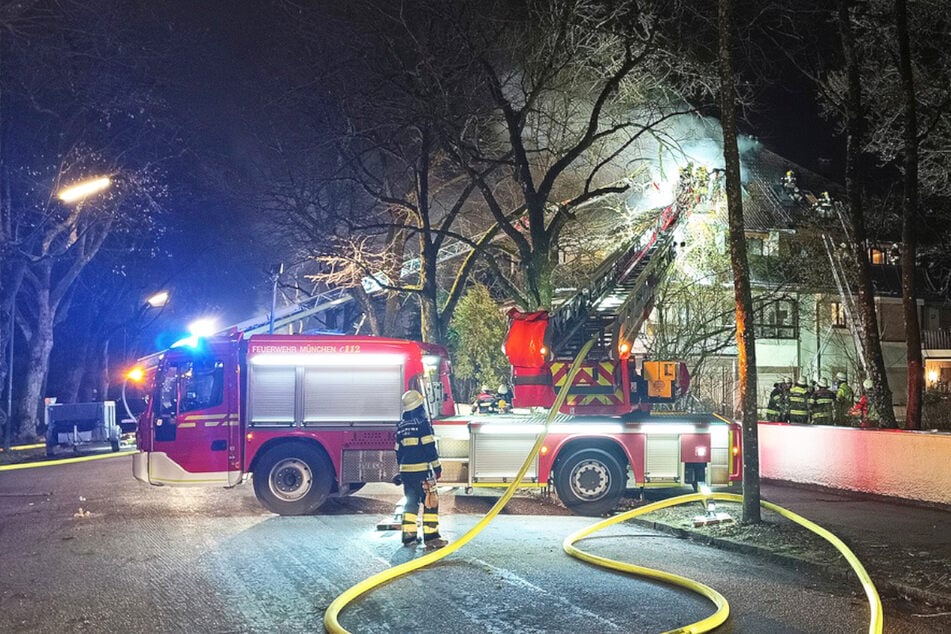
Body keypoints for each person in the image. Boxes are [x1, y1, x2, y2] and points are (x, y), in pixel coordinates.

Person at [394, 390, 446, 548]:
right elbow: (429, 448)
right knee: (430, 502)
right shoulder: (422, 424)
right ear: (419, 406)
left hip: (406, 472)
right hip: (422, 471)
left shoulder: (401, 426)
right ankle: (431, 538)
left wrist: (400, 469)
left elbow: (398, 450)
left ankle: (408, 536)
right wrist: (437, 468)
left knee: (411, 502)